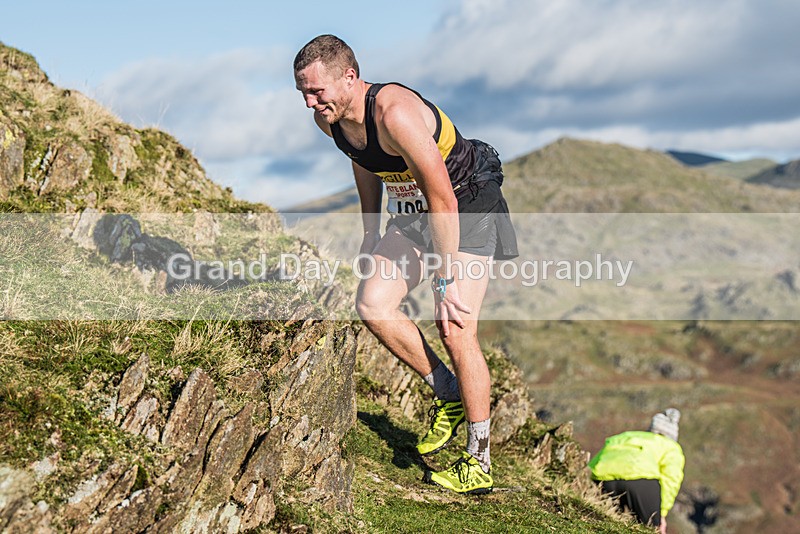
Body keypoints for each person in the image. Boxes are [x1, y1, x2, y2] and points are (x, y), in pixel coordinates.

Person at [293, 34, 518, 494]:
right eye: (303, 94)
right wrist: (371, 232)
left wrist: (446, 277)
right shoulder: (330, 121)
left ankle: (479, 461)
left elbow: (443, 198)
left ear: (350, 77)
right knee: (373, 304)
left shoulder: (395, 114)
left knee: (456, 325)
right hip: (415, 212)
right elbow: (362, 159)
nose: (311, 104)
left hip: (466, 205)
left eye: (317, 92)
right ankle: (448, 393)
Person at [588, 409, 685, 533]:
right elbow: (671, 480)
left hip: (604, 480)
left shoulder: (626, 436)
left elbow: (596, 460)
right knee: (650, 529)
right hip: (641, 482)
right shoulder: (671, 447)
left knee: (602, 525)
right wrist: (661, 514)